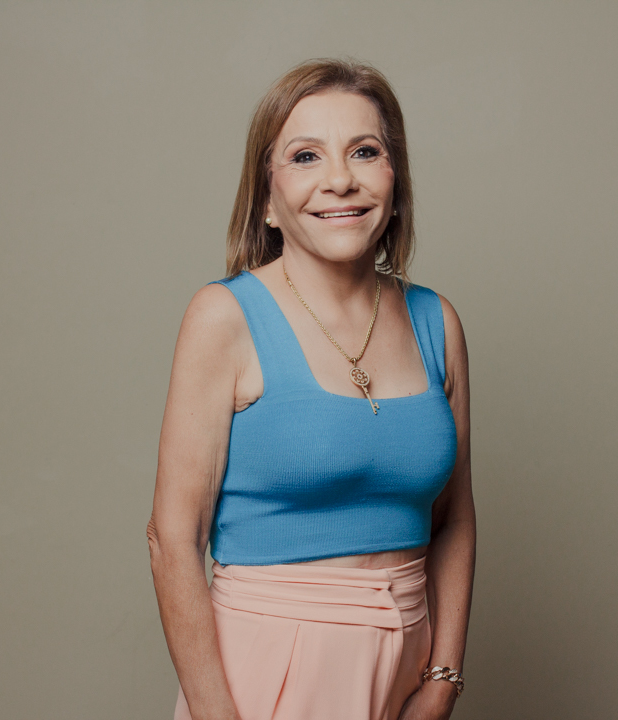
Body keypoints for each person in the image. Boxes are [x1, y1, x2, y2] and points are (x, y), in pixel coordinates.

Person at [147, 58, 475, 720]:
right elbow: (172, 540)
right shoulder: (224, 318)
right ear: (267, 199)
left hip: (406, 671)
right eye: (305, 156)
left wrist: (442, 680)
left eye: (365, 151)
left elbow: (454, 520)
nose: (340, 179)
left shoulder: (436, 322)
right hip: (267, 670)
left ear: (396, 180)